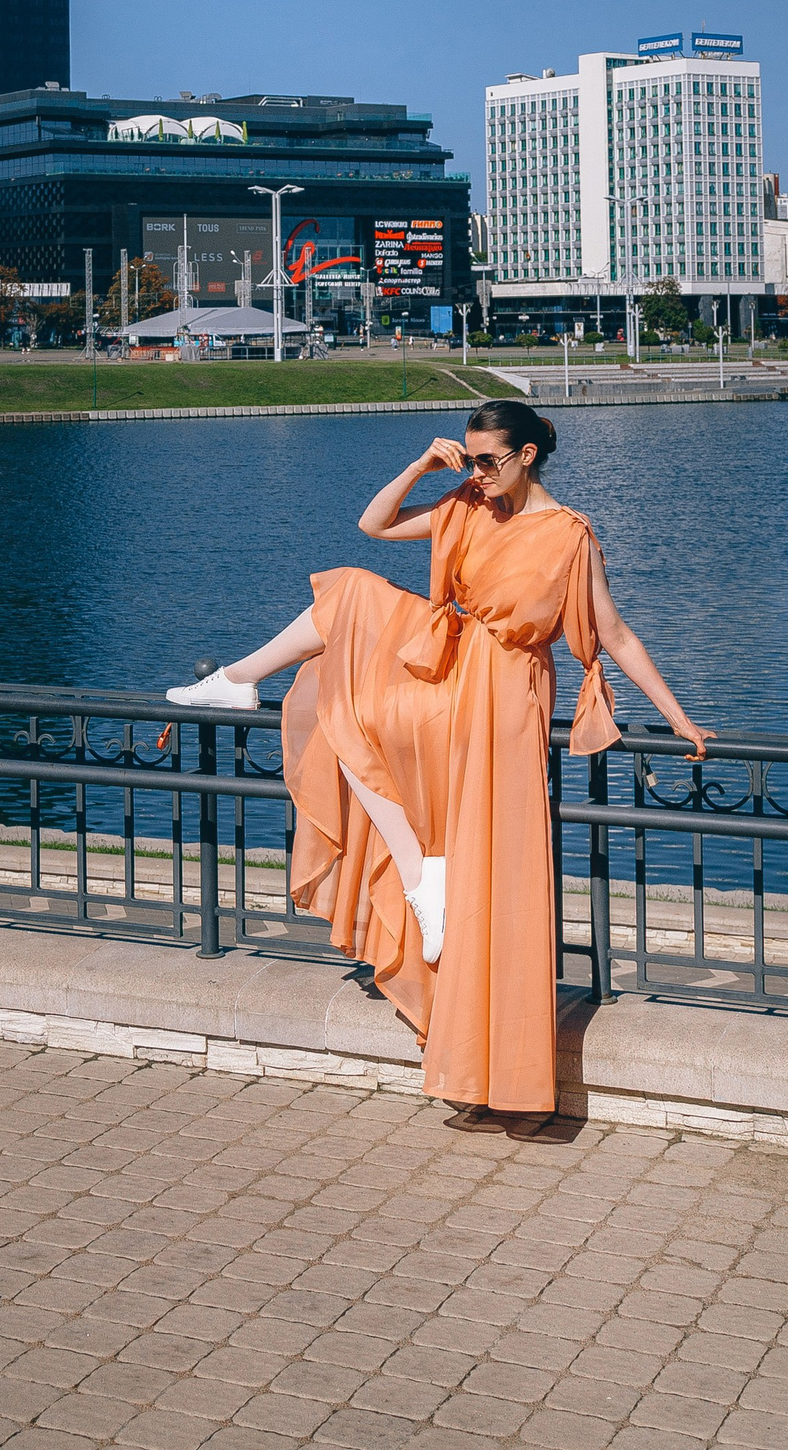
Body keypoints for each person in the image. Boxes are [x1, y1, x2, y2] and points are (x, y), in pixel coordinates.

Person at [165, 401, 710, 1119]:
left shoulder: (569, 534)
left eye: (488, 460)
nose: (476, 471)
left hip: (506, 689)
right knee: (348, 620)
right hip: (449, 663)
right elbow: (375, 524)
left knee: (351, 712)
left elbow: (614, 633)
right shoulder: (467, 505)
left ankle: (430, 893)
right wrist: (424, 464)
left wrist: (678, 717)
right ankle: (248, 691)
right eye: (470, 457)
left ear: (527, 456)